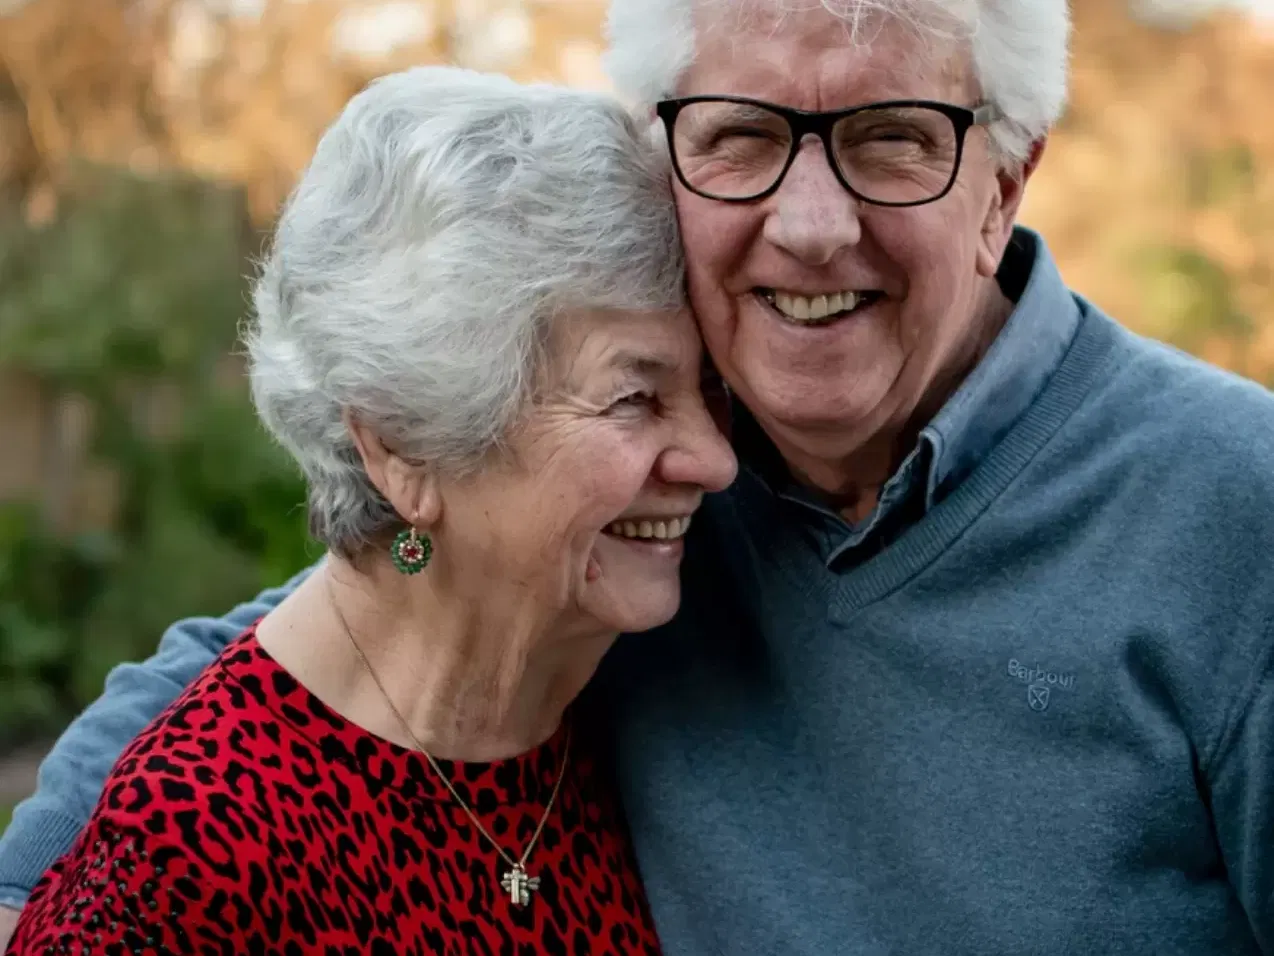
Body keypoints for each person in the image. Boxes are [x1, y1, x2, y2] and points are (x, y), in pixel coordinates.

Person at [4, 0, 1274, 953]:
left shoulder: (1233, 512)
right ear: (676, 157)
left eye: (893, 140)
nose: (811, 222)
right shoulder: (654, 505)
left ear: (1006, 178)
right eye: (742, 137)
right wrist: (52, 884)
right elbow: (359, 620)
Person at [2, 65, 736, 955]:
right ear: (405, 447)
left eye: (710, 391)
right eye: (633, 399)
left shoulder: (601, 703)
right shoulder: (192, 853)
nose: (716, 460)